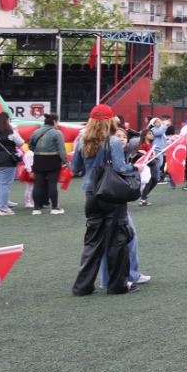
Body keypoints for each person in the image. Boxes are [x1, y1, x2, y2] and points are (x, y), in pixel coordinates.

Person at [69, 105, 138, 295]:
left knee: (92, 240)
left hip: (91, 194)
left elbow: (75, 168)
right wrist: (136, 168)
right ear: (110, 120)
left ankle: (82, 286)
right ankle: (117, 285)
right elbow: (120, 168)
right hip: (111, 194)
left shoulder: (83, 140)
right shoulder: (113, 141)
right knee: (118, 239)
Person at [27, 114, 66, 215]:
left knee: (38, 184)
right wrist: (65, 161)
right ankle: (54, 207)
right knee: (52, 184)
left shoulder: (36, 132)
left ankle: (36, 208)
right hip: (53, 159)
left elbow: (30, 145)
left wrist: (37, 151)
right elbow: (61, 149)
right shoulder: (57, 133)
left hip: (38, 159)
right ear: (54, 121)